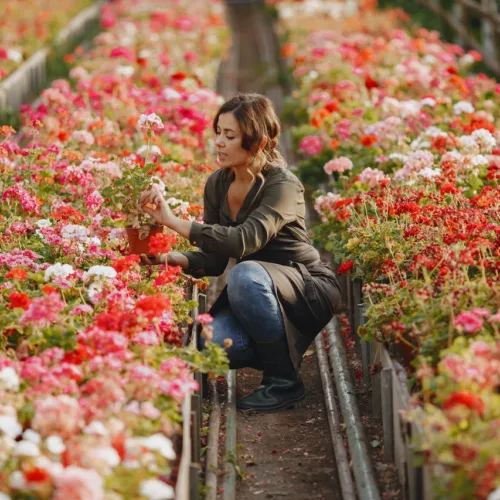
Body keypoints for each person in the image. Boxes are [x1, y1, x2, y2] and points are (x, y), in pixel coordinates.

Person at [141, 92, 342, 412]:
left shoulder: (282, 185)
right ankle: (277, 346)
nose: (219, 142)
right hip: (257, 292)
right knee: (207, 345)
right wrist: (168, 259)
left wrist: (173, 222)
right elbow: (215, 259)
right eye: (217, 132)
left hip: (306, 289)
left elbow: (242, 242)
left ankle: (283, 381)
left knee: (245, 273)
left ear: (259, 142)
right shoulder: (217, 185)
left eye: (230, 135)